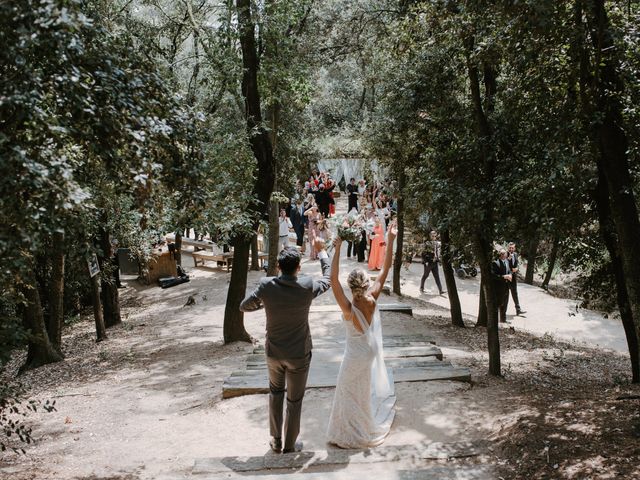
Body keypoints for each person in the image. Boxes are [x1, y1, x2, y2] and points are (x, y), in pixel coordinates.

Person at [240, 244, 332, 454]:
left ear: (278, 266)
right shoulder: (307, 286)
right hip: (299, 354)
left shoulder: (266, 285)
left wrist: (266, 302)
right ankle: (290, 445)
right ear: (298, 267)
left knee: (275, 393)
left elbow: (244, 306)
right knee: (294, 399)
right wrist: (323, 254)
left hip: (274, 353)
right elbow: (327, 280)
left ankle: (276, 440)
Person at [326, 222, 397, 448]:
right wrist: (391, 239)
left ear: (351, 287)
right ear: (366, 285)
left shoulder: (348, 307)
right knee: (363, 393)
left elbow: (332, 279)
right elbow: (385, 270)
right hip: (369, 353)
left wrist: (337, 249)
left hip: (354, 355)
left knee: (346, 392)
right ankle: (363, 427)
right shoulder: (372, 298)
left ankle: (347, 435)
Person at [419, 230, 445, 295]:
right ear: (430, 236)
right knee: (425, 275)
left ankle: (440, 290)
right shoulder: (427, 243)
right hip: (428, 263)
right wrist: (426, 262)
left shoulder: (437, 243)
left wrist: (439, 259)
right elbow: (423, 253)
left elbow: (437, 252)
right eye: (432, 236)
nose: (434, 237)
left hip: (435, 263)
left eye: (435, 236)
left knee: (437, 277)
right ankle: (421, 287)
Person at [491, 248, 512, 323]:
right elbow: (494, 276)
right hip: (498, 288)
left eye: (504, 253)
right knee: (498, 304)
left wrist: (510, 275)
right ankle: (495, 320)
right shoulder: (495, 263)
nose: (503, 255)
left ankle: (503, 320)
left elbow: (509, 270)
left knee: (505, 304)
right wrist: (504, 277)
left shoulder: (506, 261)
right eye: (501, 254)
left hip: (506, 286)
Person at [507, 242, 525, 315]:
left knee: (515, 293)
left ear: (514, 248)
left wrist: (516, 269)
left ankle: (518, 310)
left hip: (514, 276)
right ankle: (500, 310)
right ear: (508, 248)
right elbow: (503, 263)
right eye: (510, 248)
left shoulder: (516, 254)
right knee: (505, 294)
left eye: (512, 248)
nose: (511, 249)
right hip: (507, 276)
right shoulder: (505, 254)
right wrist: (508, 258)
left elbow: (517, 264)